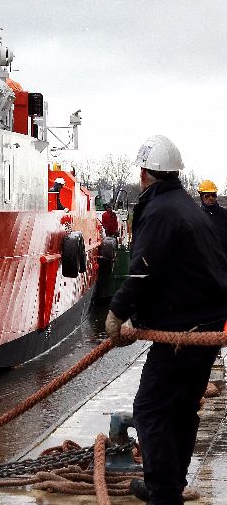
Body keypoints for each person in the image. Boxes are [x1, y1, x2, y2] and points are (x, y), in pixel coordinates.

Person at [106, 134, 227, 505]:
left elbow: (143, 269)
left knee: (150, 409)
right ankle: (170, 485)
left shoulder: (160, 211)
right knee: (183, 409)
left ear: (145, 174)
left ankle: (163, 493)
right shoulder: (186, 206)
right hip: (204, 324)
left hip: (181, 332)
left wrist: (117, 312)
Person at [198, 179, 227, 257]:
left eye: (213, 195)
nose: (211, 198)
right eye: (207, 196)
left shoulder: (224, 213)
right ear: (201, 197)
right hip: (209, 258)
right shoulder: (198, 216)